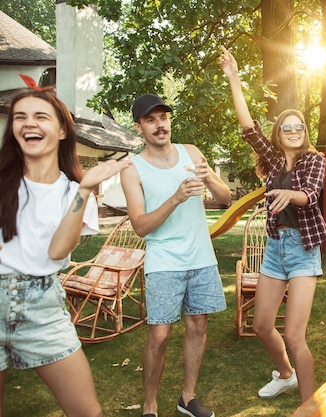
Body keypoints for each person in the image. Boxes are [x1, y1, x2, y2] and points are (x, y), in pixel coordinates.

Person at [0, 79, 132, 417]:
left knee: (88, 412)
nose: (29, 123)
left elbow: (58, 251)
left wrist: (85, 189)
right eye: (20, 117)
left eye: (41, 117)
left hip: (42, 307)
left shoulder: (75, 192)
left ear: (61, 131)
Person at [219, 47, 326, 403]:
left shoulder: (315, 160)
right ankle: (285, 374)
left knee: (295, 335)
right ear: (279, 134)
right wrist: (234, 77)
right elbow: (248, 127)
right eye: (287, 127)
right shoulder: (274, 160)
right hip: (275, 249)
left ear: (305, 132)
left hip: (302, 251)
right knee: (262, 325)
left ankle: (309, 405)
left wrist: (289, 196)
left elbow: (310, 194)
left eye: (299, 127)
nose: (294, 130)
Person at [120, 93, 231, 417]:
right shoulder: (133, 167)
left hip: (201, 258)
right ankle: (150, 405)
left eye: (163, 117)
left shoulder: (190, 152)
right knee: (160, 334)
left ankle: (187, 397)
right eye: (151, 120)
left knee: (198, 326)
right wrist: (175, 197)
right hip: (164, 262)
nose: (160, 125)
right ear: (139, 126)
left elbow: (224, 198)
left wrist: (209, 175)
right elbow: (140, 226)